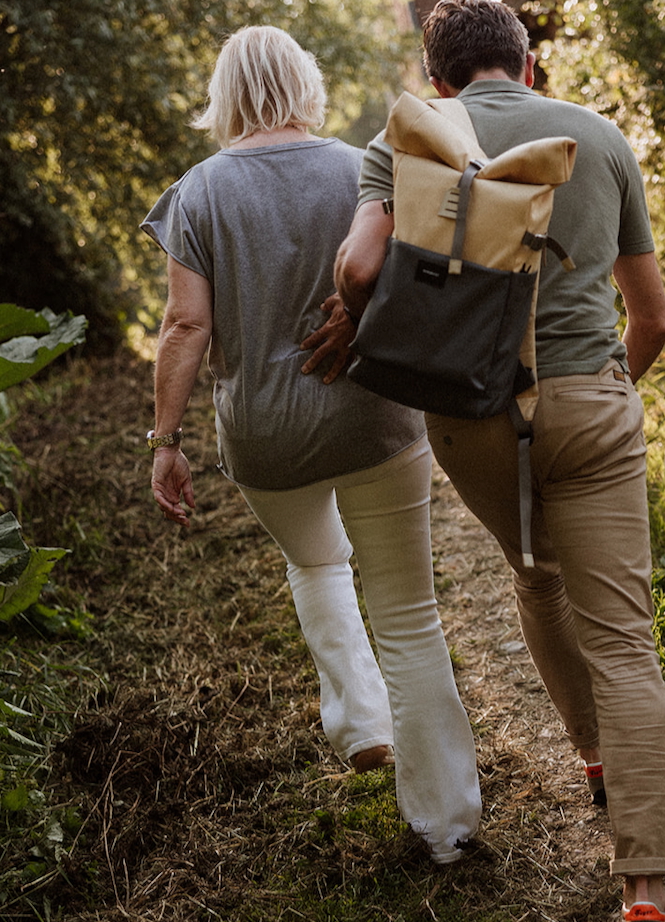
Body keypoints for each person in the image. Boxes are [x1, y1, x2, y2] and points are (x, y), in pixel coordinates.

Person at [335, 0, 665, 922]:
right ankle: (646, 896)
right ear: (528, 66)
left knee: (535, 575)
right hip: (590, 401)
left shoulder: (405, 140)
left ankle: (592, 754)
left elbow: (358, 268)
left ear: (438, 80)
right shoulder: (599, 138)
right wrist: (604, 391)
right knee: (627, 643)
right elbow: (653, 319)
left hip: (470, 413)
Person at [140, 24, 480, 864]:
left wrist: (166, 441)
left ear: (224, 96)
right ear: (305, 84)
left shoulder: (198, 193)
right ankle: (445, 825)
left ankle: (361, 722)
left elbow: (185, 325)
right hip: (377, 418)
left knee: (318, 563)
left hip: (266, 436)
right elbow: (419, 278)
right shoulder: (364, 168)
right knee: (409, 615)